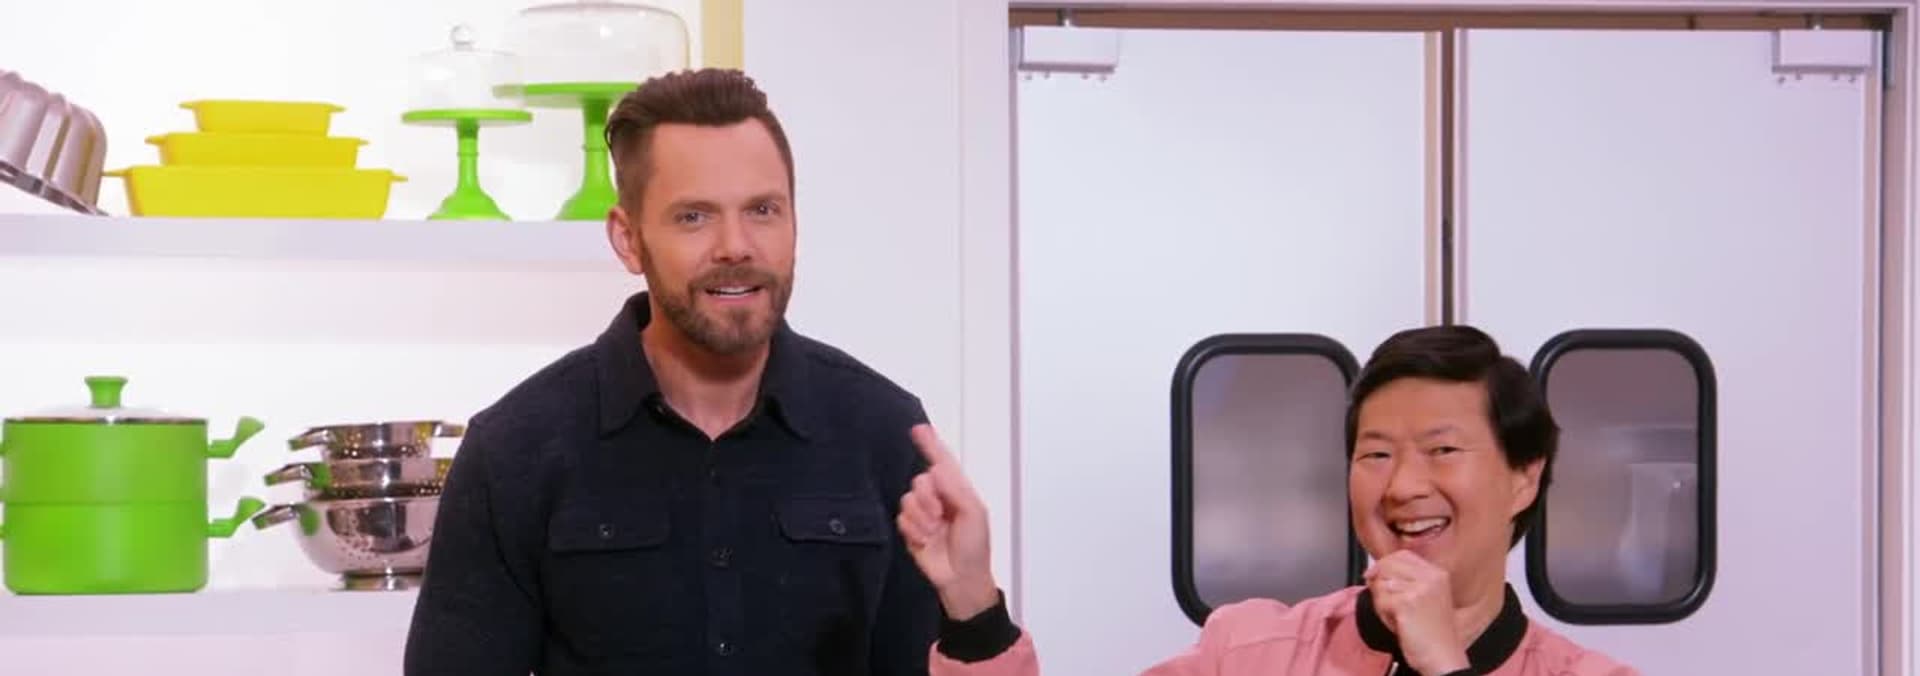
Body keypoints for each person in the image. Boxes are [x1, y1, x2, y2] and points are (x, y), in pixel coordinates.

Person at [403, 68, 942, 675]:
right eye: (694, 217)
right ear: (628, 240)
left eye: (763, 210)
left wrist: (977, 606)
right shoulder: (513, 450)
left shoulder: (884, 431)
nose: (736, 245)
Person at [897, 325, 1638, 675]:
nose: (1403, 486)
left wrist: (1444, 666)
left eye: (1442, 451)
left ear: (1524, 477)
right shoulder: (1251, 652)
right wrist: (973, 607)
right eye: (1376, 454)